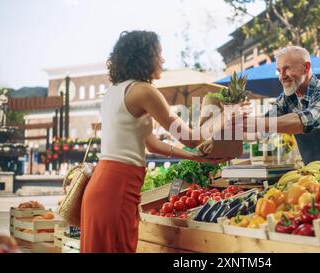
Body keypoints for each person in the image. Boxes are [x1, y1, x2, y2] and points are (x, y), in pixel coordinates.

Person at [80, 30, 228, 253]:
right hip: (118, 186)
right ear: (144, 57)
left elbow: (152, 144)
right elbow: (189, 138)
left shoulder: (114, 92)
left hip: (103, 186)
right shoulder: (144, 91)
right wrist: (227, 119)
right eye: (158, 54)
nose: (162, 60)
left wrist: (195, 157)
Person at [240, 46, 320, 164]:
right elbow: (263, 129)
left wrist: (252, 123)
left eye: (287, 69)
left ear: (306, 67)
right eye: (279, 71)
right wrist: (230, 125)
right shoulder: (287, 99)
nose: (282, 76)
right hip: (317, 173)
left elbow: (304, 122)